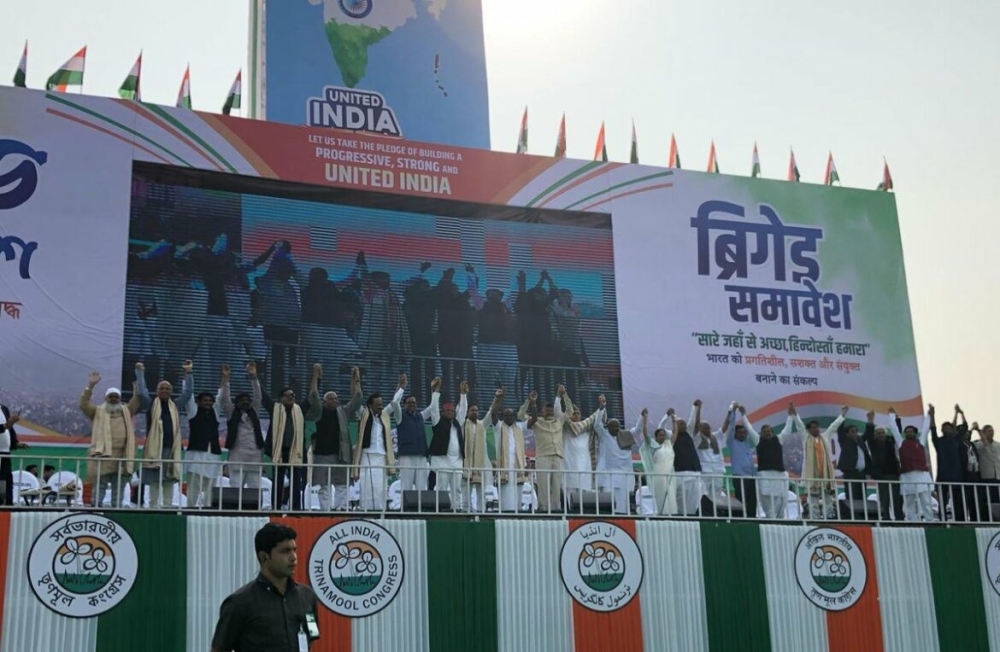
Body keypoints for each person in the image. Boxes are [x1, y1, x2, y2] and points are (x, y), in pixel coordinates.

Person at [211, 522, 319, 652]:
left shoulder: (307, 596)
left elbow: (310, 638)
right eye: (285, 551)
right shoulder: (239, 603)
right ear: (264, 557)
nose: (293, 557)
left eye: (294, 550)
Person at [78, 365, 144, 508]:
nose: (113, 399)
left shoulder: (127, 411)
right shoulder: (97, 411)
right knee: (100, 486)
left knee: (119, 487)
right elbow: (83, 404)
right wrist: (90, 385)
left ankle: (116, 509)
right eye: (111, 397)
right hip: (102, 456)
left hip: (122, 456)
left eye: (116, 397)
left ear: (120, 399)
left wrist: (136, 388)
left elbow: (136, 400)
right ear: (106, 398)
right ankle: (96, 508)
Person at [305, 365, 363, 511]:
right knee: (323, 486)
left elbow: (357, 399)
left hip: (341, 454)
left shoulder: (343, 411)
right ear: (325, 401)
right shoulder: (319, 411)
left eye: (336, 398)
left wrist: (355, 379)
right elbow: (313, 395)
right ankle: (325, 511)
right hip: (322, 455)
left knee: (342, 484)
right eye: (331, 399)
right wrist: (315, 376)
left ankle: (340, 508)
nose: (335, 400)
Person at [137, 360, 193, 509]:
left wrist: (188, 373)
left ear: (171, 391)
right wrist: (140, 372)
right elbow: (141, 392)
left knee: (168, 480)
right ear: (157, 391)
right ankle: (153, 508)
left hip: (172, 448)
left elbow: (187, 393)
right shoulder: (150, 404)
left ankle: (168, 507)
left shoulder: (175, 405)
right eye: (161, 388)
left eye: (167, 389)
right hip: (154, 449)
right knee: (155, 481)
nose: (164, 391)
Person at [518, 386, 577, 512]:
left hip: (558, 456)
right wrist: (529, 401)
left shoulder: (559, 421)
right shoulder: (536, 421)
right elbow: (520, 415)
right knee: (543, 484)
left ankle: (555, 508)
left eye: (551, 411)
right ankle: (543, 508)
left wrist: (564, 395)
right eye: (547, 411)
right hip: (543, 456)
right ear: (542, 411)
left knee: (556, 485)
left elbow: (570, 412)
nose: (549, 413)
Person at [793, 405, 847, 520]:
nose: (816, 429)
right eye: (813, 427)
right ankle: (815, 518)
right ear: (809, 430)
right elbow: (800, 426)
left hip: (826, 474)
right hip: (812, 475)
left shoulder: (825, 437)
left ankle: (829, 516)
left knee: (828, 498)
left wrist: (843, 414)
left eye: (817, 427)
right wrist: (795, 414)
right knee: (813, 499)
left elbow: (833, 426)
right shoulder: (805, 438)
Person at [742, 404, 796, 520]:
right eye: (764, 431)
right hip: (765, 476)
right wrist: (743, 415)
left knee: (781, 504)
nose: (767, 432)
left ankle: (780, 523)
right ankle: (771, 522)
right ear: (761, 433)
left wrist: (790, 416)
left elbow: (787, 429)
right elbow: (749, 428)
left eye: (769, 431)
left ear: (772, 432)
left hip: (780, 475)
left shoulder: (779, 439)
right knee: (769, 505)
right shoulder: (758, 440)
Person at [263, 379, 308, 511]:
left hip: (295, 451)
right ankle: (276, 508)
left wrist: (316, 379)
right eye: (288, 395)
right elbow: (264, 397)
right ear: (281, 398)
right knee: (278, 481)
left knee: (296, 482)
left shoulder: (299, 410)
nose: (292, 397)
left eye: (293, 395)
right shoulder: (275, 409)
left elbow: (311, 398)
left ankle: (296, 510)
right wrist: (254, 377)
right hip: (279, 451)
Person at [220, 363, 266, 493]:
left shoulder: (254, 412)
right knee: (236, 486)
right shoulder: (231, 413)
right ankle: (235, 511)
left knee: (255, 486)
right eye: (242, 400)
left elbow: (258, 396)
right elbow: (225, 398)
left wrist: (254, 377)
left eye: (247, 400)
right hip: (237, 454)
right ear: (236, 403)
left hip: (255, 454)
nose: (245, 402)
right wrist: (226, 379)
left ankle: (254, 512)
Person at [391, 374, 440, 494]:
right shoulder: (400, 416)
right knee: (406, 485)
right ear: (404, 405)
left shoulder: (420, 416)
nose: (412, 404)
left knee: (421, 486)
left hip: (421, 456)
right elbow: (394, 403)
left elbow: (433, 407)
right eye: (409, 403)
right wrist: (402, 388)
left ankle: (420, 510)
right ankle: (405, 510)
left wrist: (435, 392)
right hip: (407, 456)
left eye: (414, 403)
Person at [593, 397, 642, 515]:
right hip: (609, 472)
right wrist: (601, 408)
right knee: (610, 498)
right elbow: (596, 425)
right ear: (608, 427)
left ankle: (623, 516)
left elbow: (638, 430)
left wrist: (642, 417)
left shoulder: (625, 435)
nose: (614, 428)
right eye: (612, 426)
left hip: (624, 473)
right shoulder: (604, 435)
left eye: (616, 426)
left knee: (623, 498)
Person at [185, 366, 225, 508]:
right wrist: (188, 373)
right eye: (205, 400)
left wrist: (225, 378)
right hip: (196, 454)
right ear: (198, 401)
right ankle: (190, 508)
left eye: (210, 401)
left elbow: (221, 397)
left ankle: (208, 509)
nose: (208, 403)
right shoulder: (193, 412)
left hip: (212, 454)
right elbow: (188, 395)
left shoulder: (215, 412)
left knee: (210, 486)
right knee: (194, 485)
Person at [351, 383, 395, 511]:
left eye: (381, 404)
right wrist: (356, 382)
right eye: (377, 404)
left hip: (381, 455)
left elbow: (394, 403)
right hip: (367, 454)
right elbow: (356, 399)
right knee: (367, 484)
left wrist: (401, 388)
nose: (380, 407)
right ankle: (366, 510)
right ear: (370, 405)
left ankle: (380, 511)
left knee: (380, 486)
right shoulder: (363, 414)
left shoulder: (384, 416)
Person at [887, 405, 934, 522]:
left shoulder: (921, 441)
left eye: (911, 431)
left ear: (915, 433)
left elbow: (925, 428)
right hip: (907, 476)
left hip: (922, 475)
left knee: (926, 500)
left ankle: (930, 520)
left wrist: (929, 415)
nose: (909, 433)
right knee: (909, 502)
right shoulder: (901, 442)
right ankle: (912, 521)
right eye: (907, 432)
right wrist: (891, 415)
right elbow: (893, 429)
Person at [463, 382, 502, 513]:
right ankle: (466, 513)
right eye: (472, 410)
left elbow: (492, 412)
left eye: (477, 410)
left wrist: (497, 398)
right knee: (466, 493)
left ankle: (480, 513)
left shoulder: (481, 425)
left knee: (481, 493)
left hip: (481, 465)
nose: (475, 412)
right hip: (467, 464)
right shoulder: (463, 425)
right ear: (467, 412)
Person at [428, 389, 468, 511]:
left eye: (452, 411)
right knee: (442, 488)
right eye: (448, 411)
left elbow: (463, 410)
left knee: (457, 488)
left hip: (456, 462)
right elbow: (433, 408)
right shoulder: (437, 421)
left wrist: (463, 394)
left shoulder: (457, 423)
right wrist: (435, 392)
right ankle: (440, 509)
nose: (450, 412)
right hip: (442, 462)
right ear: (442, 412)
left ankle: (455, 509)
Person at [490, 389, 529, 513]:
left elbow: (532, 421)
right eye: (506, 415)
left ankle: (517, 516)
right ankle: (506, 515)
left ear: (514, 416)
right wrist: (498, 399)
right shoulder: (498, 427)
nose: (509, 417)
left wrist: (532, 402)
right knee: (506, 498)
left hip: (518, 467)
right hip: (504, 468)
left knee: (518, 498)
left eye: (511, 415)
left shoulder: (519, 427)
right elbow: (493, 413)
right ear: (502, 416)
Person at [864, 409, 904, 521]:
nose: (881, 434)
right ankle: (886, 516)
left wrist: (897, 418)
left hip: (894, 473)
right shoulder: (873, 443)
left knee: (897, 497)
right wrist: (870, 420)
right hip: (881, 474)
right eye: (879, 433)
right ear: (876, 435)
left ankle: (899, 517)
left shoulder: (890, 441)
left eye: (883, 433)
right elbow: (869, 433)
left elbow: (897, 432)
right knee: (884, 497)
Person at [639, 409, 677, 515]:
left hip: (670, 474)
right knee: (660, 496)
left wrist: (674, 419)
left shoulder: (668, 445)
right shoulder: (652, 444)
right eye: (660, 435)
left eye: (664, 435)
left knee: (671, 495)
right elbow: (645, 432)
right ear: (656, 437)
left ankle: (671, 514)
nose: (663, 436)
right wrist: (645, 418)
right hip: (658, 474)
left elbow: (675, 433)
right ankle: (660, 514)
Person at [931, 404, 964, 521]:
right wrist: (932, 415)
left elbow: (964, 427)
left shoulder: (956, 440)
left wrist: (960, 413)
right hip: (942, 476)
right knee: (942, 501)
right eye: (945, 428)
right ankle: (942, 520)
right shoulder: (938, 442)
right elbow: (933, 430)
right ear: (942, 430)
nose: (947, 430)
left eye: (949, 428)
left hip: (956, 476)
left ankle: (959, 521)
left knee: (957, 501)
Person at [562, 394, 596, 506]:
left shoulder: (587, 430)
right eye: (574, 413)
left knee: (584, 500)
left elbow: (600, 419)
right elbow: (558, 413)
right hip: (569, 468)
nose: (576, 415)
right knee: (569, 497)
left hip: (584, 468)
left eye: (578, 413)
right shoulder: (565, 428)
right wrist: (563, 396)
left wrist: (602, 407)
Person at [836, 417, 873, 517]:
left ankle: (862, 515)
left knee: (862, 494)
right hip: (850, 472)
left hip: (861, 473)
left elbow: (868, 434)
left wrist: (870, 420)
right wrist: (842, 416)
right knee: (852, 494)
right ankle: (853, 515)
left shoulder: (860, 440)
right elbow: (840, 430)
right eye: (852, 431)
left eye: (856, 431)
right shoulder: (845, 441)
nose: (855, 433)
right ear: (847, 433)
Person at [672, 401, 704, 515]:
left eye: (684, 424)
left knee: (694, 501)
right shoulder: (670, 437)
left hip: (694, 473)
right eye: (681, 424)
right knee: (681, 503)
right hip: (679, 474)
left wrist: (695, 408)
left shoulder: (689, 435)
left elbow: (694, 423)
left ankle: (691, 518)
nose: (684, 425)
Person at [695, 404, 731, 501]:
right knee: (704, 492)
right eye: (705, 427)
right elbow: (696, 424)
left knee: (717, 492)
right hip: (705, 470)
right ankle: (705, 513)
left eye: (708, 427)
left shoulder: (716, 437)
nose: (707, 429)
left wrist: (729, 412)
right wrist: (698, 410)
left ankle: (716, 512)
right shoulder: (697, 438)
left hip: (717, 470)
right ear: (700, 429)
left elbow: (725, 426)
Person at [728, 404, 758, 518]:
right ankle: (741, 519)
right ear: (735, 434)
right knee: (741, 501)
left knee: (752, 502)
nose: (743, 434)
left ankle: (752, 519)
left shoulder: (746, 444)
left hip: (751, 477)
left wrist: (744, 413)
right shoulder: (731, 442)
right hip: (739, 477)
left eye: (744, 433)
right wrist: (733, 412)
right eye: (740, 432)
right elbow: (731, 427)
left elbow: (749, 428)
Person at [0, 400, 28, 506]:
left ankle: (8, 506)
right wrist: (7, 425)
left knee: (7, 480)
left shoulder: (3, 408)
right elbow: (6, 426)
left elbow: (10, 429)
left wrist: (16, 443)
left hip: (5, 452)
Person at [956, 417, 983, 522]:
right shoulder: (958, 444)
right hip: (964, 476)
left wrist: (976, 429)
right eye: (964, 432)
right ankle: (963, 520)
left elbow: (983, 443)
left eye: (968, 432)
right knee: (964, 500)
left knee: (975, 499)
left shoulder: (972, 444)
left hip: (975, 475)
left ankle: (976, 519)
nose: (966, 434)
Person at [973, 422, 1000, 513]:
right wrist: (978, 430)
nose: (991, 433)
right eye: (988, 431)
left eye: (992, 431)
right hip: (987, 475)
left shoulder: (997, 445)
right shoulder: (979, 444)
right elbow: (985, 443)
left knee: (997, 498)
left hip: (997, 474)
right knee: (988, 499)